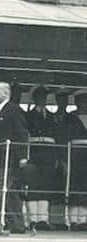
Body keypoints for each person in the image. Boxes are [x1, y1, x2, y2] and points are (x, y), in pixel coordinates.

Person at [0, 82, 28, 233]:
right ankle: (17, 224)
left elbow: (21, 134)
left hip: (9, 158)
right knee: (10, 193)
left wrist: (23, 156)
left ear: (5, 93)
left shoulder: (13, 110)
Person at [24, 85, 57, 231]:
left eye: (44, 96)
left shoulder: (51, 117)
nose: (42, 99)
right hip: (34, 153)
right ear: (34, 98)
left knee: (45, 185)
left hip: (48, 155)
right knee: (32, 186)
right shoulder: (27, 116)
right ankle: (33, 219)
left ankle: (43, 219)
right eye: (39, 96)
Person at [52, 88, 73, 230]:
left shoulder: (73, 119)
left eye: (65, 99)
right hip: (53, 157)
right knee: (55, 188)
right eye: (60, 99)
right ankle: (56, 220)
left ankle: (69, 220)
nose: (63, 102)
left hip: (70, 157)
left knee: (68, 189)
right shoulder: (51, 118)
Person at [67, 90, 87, 231]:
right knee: (75, 185)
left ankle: (84, 219)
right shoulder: (70, 118)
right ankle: (74, 219)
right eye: (81, 100)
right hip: (75, 154)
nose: (84, 103)